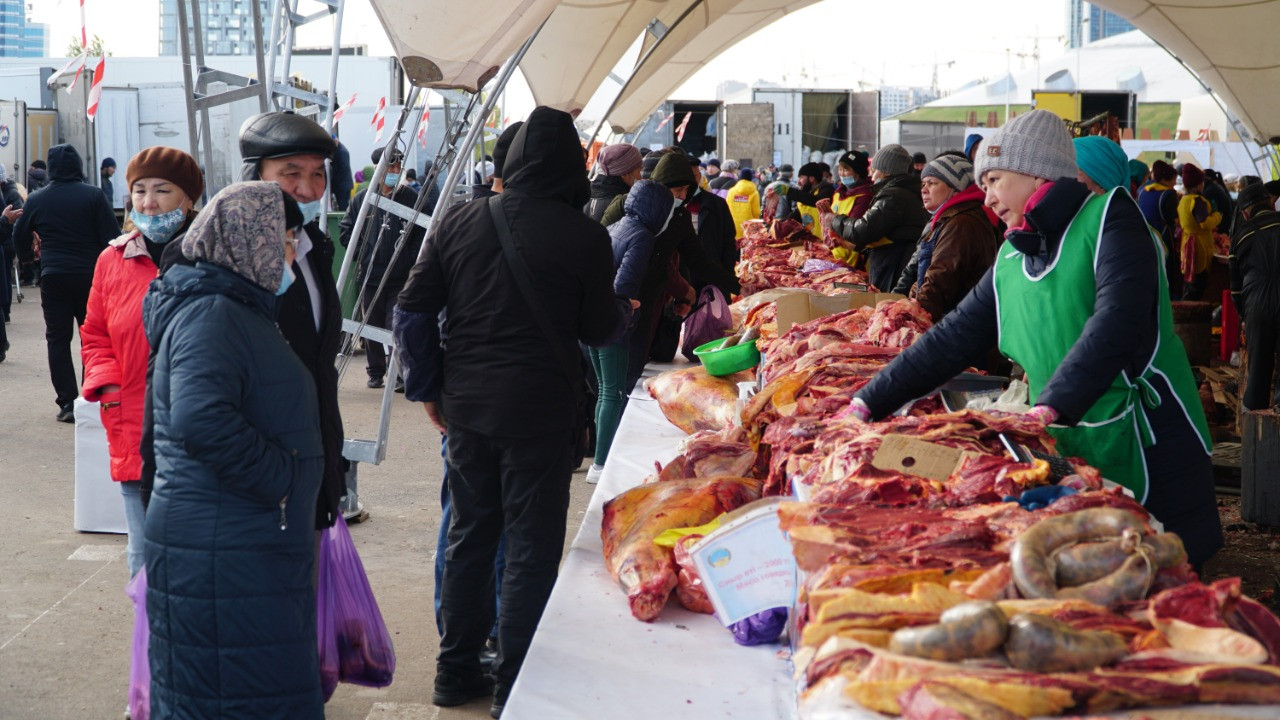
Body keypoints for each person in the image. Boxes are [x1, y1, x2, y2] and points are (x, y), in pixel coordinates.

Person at [846, 109, 1222, 571]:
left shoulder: (1112, 220)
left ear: (1034, 172)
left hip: (1151, 438)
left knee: (1166, 578)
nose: (987, 198)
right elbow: (953, 337)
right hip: (1069, 443)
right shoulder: (1012, 255)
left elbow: (1116, 322)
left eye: (995, 180)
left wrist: (1049, 407)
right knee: (1096, 581)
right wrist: (868, 401)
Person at [394, 106, 633, 718]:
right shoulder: (584, 234)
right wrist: (621, 309)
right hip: (542, 412)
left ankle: (453, 674)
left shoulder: (461, 221)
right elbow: (601, 331)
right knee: (529, 546)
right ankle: (515, 685)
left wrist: (428, 388)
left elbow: (412, 310)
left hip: (468, 407)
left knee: (470, 538)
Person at [144, 181, 323, 719]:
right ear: (254, 238)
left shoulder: (237, 304)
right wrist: (284, 479)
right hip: (224, 545)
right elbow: (200, 418)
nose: (292, 255)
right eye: (287, 240)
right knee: (236, 696)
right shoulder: (214, 312)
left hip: (239, 540)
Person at [205, 110, 346, 530]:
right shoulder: (217, 259)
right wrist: (275, 475)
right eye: (290, 173)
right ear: (254, 176)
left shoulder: (313, 247)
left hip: (309, 464)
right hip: (255, 486)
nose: (307, 189)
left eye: (318, 174)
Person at [81, 147, 202, 579]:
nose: (148, 202)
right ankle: (149, 642)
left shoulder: (210, 256)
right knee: (143, 555)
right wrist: (109, 387)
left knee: (198, 553)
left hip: (200, 420)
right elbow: (94, 334)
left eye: (162, 190)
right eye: (139, 190)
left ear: (189, 199)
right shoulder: (112, 260)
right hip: (132, 416)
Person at [13, 144, 119, 422]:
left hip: (54, 276)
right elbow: (112, 237)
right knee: (92, 338)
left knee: (57, 339)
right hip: (91, 277)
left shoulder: (37, 198)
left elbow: (19, 234)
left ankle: (68, 404)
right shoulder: (94, 195)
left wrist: (27, 258)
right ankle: (90, 398)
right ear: (78, 166)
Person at [586, 179, 674, 484]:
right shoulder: (643, 236)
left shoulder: (617, 226)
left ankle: (601, 456)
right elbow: (624, 282)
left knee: (603, 390)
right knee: (612, 392)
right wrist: (627, 303)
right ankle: (601, 464)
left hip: (592, 318)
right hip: (613, 322)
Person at [340, 146, 430, 389]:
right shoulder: (362, 199)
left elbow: (423, 232)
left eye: (398, 165)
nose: (395, 171)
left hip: (400, 276)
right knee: (371, 324)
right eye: (390, 166)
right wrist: (364, 254)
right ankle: (376, 372)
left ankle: (398, 373)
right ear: (379, 169)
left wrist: (409, 258)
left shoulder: (410, 197)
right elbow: (347, 232)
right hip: (370, 276)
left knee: (396, 324)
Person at [892, 154, 997, 322]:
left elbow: (939, 282)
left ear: (955, 188)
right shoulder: (948, 219)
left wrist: (909, 318)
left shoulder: (961, 224)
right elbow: (925, 275)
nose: (924, 189)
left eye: (932, 183)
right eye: (923, 184)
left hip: (957, 323)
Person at [828, 143, 930, 292]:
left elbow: (862, 231)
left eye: (874, 170)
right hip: (894, 263)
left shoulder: (893, 196)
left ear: (885, 172)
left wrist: (833, 219)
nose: (871, 175)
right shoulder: (902, 191)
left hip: (893, 266)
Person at [1229, 181, 1280, 410]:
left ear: (1245, 214)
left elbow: (1236, 290)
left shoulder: (1241, 236)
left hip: (1256, 305)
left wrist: (1245, 316)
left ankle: (1253, 435)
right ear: (1271, 202)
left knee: (1258, 368)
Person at [1137, 160, 1182, 295]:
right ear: (1167, 179)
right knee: (1167, 272)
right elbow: (1175, 220)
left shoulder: (1142, 190)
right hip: (1164, 237)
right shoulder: (1168, 195)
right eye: (1174, 180)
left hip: (1144, 235)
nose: (1175, 183)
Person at [1177, 163, 1221, 300]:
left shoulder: (1183, 200)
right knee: (1197, 284)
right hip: (1198, 246)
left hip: (1187, 243)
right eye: (1202, 182)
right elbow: (1204, 223)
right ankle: (1191, 312)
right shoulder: (1197, 201)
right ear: (1197, 185)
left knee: (1189, 281)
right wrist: (1217, 216)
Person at [765, 161, 834, 230]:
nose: (798, 181)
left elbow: (815, 201)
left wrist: (789, 191)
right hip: (809, 238)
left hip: (823, 239)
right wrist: (778, 225)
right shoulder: (807, 192)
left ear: (811, 178)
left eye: (801, 177)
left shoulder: (827, 190)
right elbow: (797, 214)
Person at [586, 143, 642, 223]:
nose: (641, 177)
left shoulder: (585, 196)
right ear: (624, 174)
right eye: (639, 170)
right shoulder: (626, 205)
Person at [0, 163, 23, 326]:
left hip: (6, 240)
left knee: (5, 276)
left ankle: (5, 311)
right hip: (5, 238)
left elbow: (18, 217)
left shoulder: (10, 193)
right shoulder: (9, 192)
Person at [726, 167, 760, 238]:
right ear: (751, 178)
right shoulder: (754, 193)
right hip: (748, 227)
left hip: (732, 225)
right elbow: (756, 213)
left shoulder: (731, 191)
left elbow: (727, 209)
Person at [331, 133, 353, 211]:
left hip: (343, 185)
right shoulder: (338, 149)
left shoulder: (342, 152)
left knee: (343, 207)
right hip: (340, 184)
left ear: (335, 141)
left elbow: (343, 169)